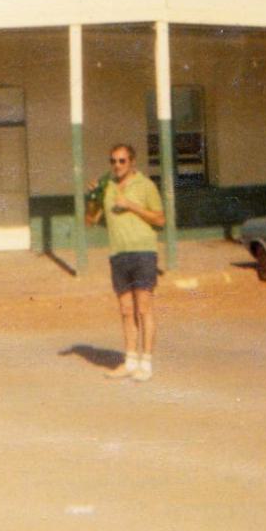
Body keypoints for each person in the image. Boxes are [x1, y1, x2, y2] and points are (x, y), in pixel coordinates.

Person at [86, 143, 165, 381]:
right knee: (126, 310)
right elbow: (90, 220)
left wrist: (131, 205)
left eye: (122, 161)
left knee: (144, 308)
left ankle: (146, 363)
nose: (117, 165)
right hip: (118, 253)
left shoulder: (146, 185)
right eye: (113, 161)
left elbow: (160, 220)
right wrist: (92, 197)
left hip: (143, 252)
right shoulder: (107, 187)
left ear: (132, 162)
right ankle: (130, 362)